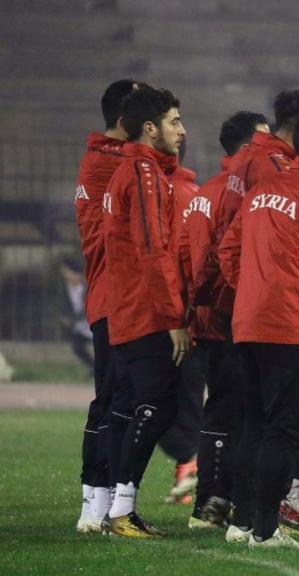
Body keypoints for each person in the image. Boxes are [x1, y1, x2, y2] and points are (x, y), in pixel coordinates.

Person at [218, 110, 299, 549]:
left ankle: (241, 522)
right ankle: (267, 530)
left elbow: (229, 249)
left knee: (252, 423)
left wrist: (249, 291)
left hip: (248, 321)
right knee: (285, 428)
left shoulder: (264, 190)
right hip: (291, 324)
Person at [101, 84, 189, 538]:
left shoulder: (130, 172)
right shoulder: (144, 173)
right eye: (174, 121)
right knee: (157, 404)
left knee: (139, 407)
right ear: (150, 128)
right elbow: (155, 249)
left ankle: (114, 508)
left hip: (130, 309)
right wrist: (174, 317)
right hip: (146, 312)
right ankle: (121, 510)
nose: (182, 130)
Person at [181, 110, 270, 530]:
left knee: (221, 409)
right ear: (248, 145)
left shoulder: (206, 191)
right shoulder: (237, 192)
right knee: (232, 412)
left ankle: (211, 501)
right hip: (226, 315)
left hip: (205, 313)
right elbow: (224, 259)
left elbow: (188, 257)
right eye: (266, 140)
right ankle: (216, 502)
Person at [72, 78, 136, 534]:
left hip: (116, 296)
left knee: (124, 400)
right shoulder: (109, 165)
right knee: (114, 401)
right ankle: (96, 504)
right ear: (124, 119)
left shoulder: (108, 161)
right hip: (116, 297)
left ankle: (106, 503)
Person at [156, 139, 203, 507]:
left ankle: (191, 462)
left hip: (167, 314)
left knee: (152, 398)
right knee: (184, 395)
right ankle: (189, 466)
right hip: (187, 313)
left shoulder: (171, 194)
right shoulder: (195, 195)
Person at [59, 257, 93, 371]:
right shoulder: (65, 289)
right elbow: (64, 307)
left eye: (68, 273)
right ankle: (93, 368)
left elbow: (87, 308)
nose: (66, 276)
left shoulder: (87, 287)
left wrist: (72, 319)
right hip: (80, 327)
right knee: (77, 347)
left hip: (91, 323)